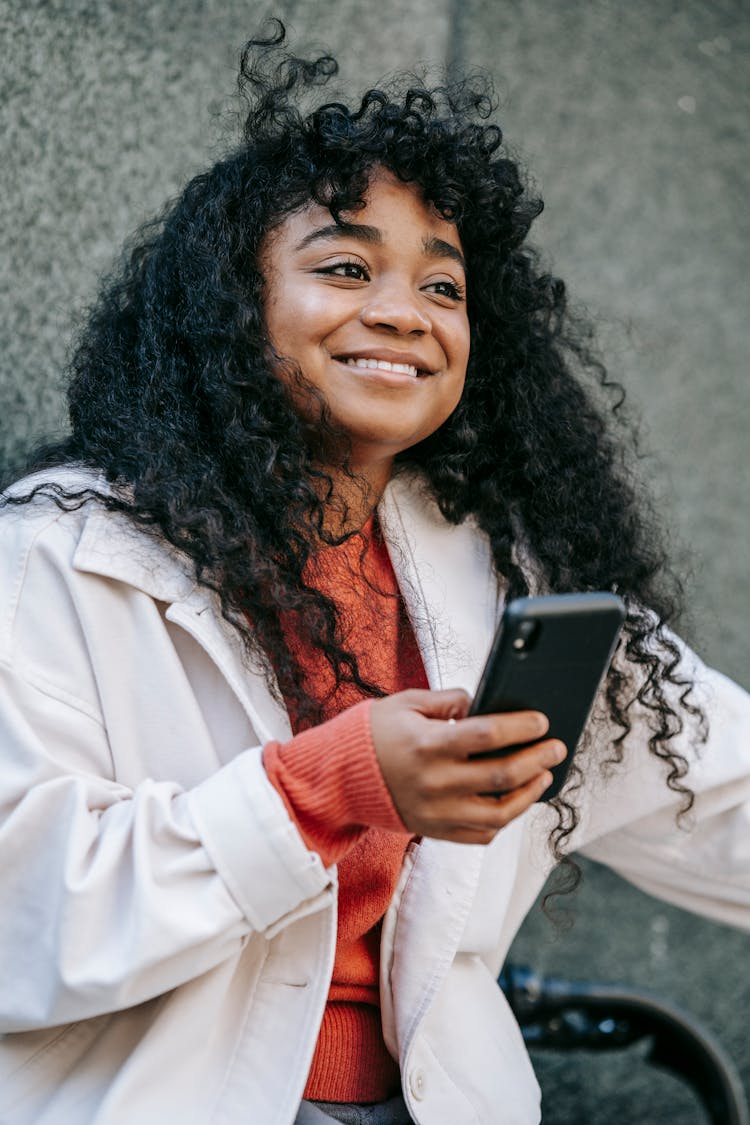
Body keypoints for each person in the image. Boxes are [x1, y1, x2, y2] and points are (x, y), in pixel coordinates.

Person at [0, 23, 748, 1125]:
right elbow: (23, 912)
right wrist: (325, 790)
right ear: (229, 304)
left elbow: (728, 795)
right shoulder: (61, 556)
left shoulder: (507, 575)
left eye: (443, 289)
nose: (404, 312)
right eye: (345, 268)